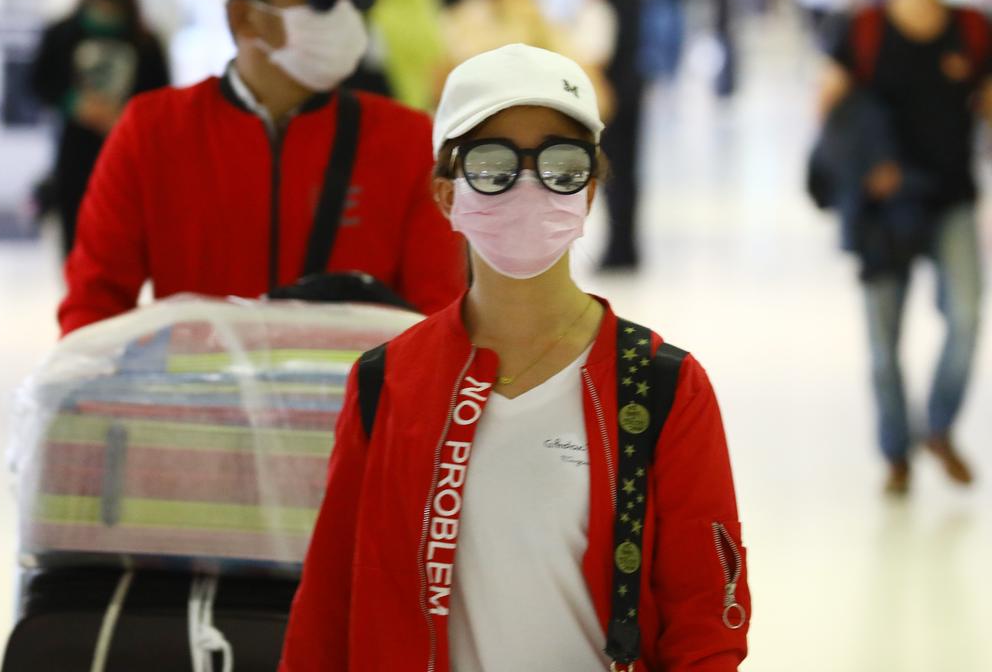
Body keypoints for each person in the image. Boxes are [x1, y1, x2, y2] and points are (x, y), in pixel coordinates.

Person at [279, 44, 750, 670]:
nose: (529, 184)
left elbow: (706, 629)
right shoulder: (386, 382)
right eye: (494, 164)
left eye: (561, 163)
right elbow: (326, 613)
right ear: (447, 195)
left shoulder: (663, 388)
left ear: (588, 191)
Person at [58, 0, 465, 335]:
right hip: (196, 400)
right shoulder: (155, 131)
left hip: (364, 401)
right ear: (244, 16)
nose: (345, 8)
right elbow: (92, 309)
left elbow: (441, 322)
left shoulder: (406, 140)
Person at [818, 0, 992, 494]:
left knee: (967, 317)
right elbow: (830, 112)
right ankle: (896, 452)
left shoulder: (971, 28)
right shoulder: (864, 29)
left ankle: (938, 426)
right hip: (882, 209)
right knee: (883, 343)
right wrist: (866, 168)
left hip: (951, 198)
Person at [31, 0, 169, 257]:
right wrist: (75, 104)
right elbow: (40, 82)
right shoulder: (62, 34)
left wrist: (123, 116)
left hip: (124, 154)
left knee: (120, 245)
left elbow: (161, 97)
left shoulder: (145, 41)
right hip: (75, 154)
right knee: (75, 243)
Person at [592, 0, 651, 271]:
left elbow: (598, 52)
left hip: (611, 97)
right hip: (634, 91)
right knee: (629, 173)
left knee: (613, 173)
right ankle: (628, 248)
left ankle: (618, 250)